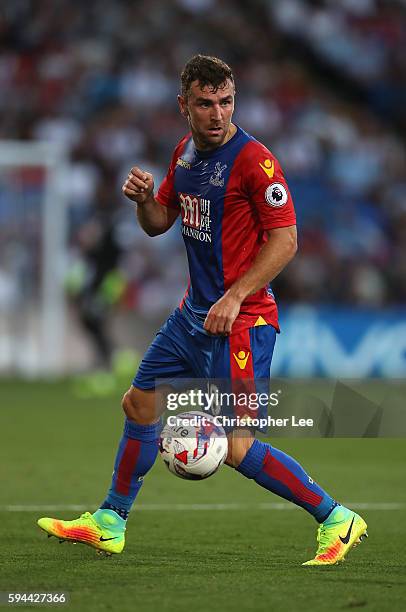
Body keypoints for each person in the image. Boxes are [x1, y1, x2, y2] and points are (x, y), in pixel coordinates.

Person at [37, 55, 367, 565]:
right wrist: (145, 200)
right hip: (193, 316)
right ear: (184, 105)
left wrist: (235, 295)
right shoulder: (185, 153)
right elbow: (158, 222)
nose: (217, 114)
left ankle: (336, 518)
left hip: (242, 323)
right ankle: (110, 521)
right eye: (205, 103)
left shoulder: (256, 162)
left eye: (226, 102)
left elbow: (286, 241)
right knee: (138, 404)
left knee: (235, 448)